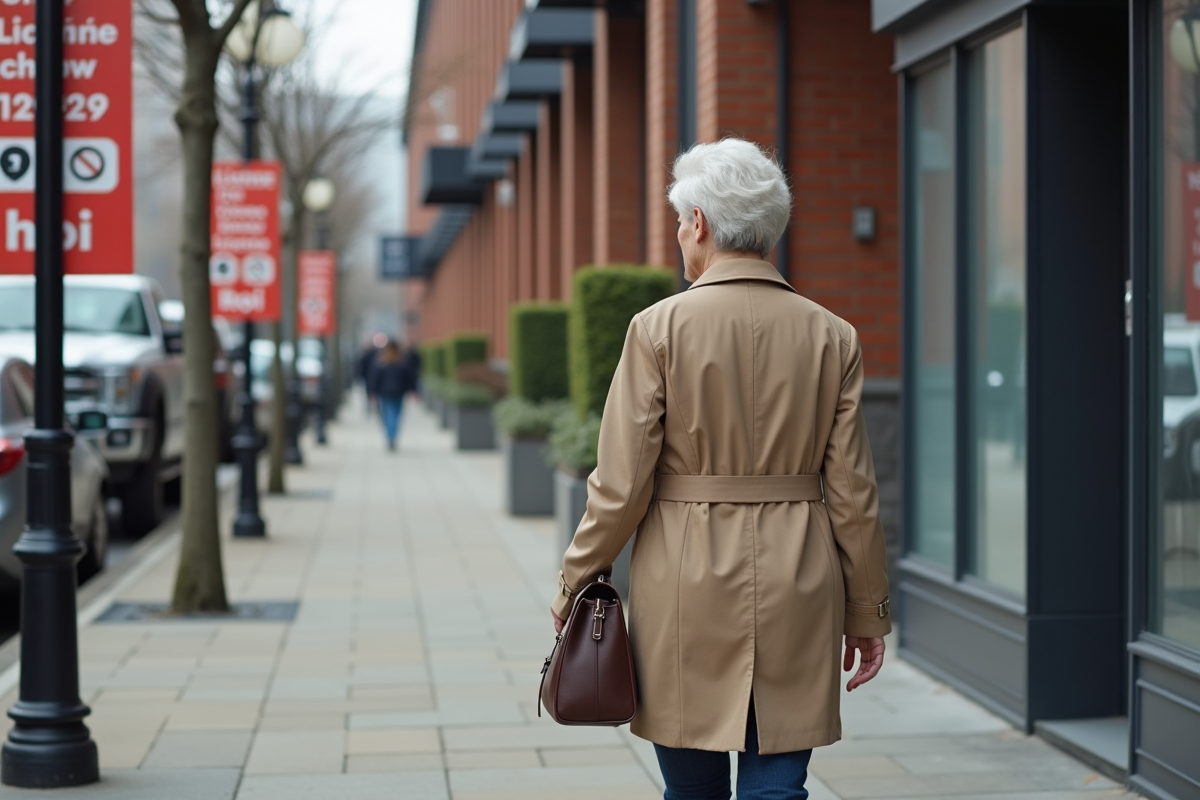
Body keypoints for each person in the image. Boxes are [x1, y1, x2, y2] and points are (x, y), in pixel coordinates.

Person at [549, 138, 891, 800]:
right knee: (778, 786)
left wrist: (574, 582)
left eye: (681, 221)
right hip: (799, 574)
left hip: (685, 579)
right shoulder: (834, 335)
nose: (680, 236)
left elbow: (621, 486)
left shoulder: (657, 329)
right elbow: (854, 494)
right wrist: (868, 610)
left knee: (692, 791)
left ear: (700, 222)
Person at [368, 340, 411, 452]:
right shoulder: (402, 362)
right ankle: (393, 436)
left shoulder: (381, 363)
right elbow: (408, 378)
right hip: (398, 392)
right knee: (396, 415)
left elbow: (374, 379)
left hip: (385, 393)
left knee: (387, 415)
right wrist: (411, 390)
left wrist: (372, 391)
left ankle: (390, 436)